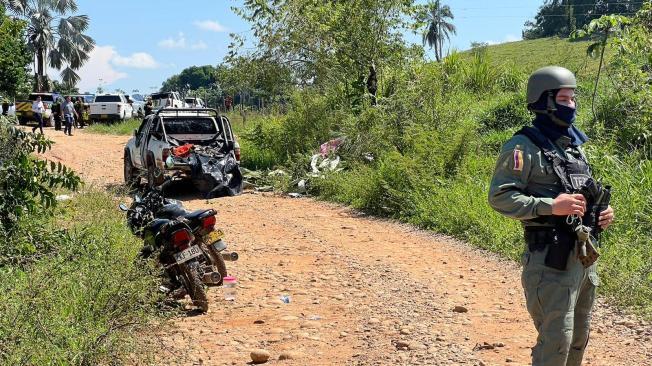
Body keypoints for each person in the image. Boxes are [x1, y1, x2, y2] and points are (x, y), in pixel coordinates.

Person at [488, 66, 615, 366]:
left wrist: (600, 214)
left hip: (583, 259)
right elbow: (500, 197)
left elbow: (581, 194)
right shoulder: (522, 147)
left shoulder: (573, 147)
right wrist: (549, 205)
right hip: (550, 261)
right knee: (556, 343)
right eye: (564, 98)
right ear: (545, 101)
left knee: (577, 340)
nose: (571, 104)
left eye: (573, 98)